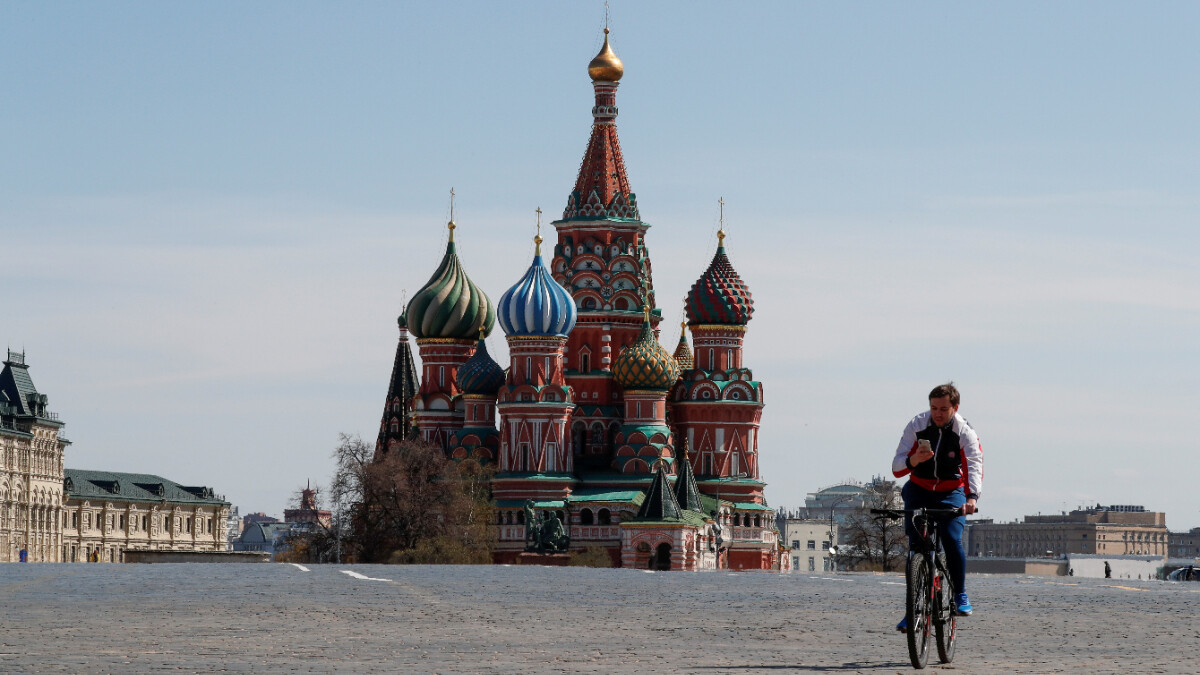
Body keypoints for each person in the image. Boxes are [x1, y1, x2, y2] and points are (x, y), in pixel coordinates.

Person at [891, 382, 983, 632]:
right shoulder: (917, 425)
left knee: (952, 539)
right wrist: (915, 459)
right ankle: (912, 611)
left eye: (943, 408)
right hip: (918, 490)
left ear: (955, 407)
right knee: (915, 549)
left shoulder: (964, 432)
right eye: (933, 408)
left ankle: (961, 594)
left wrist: (972, 498)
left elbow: (974, 464)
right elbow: (897, 467)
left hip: (951, 492)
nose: (938, 413)